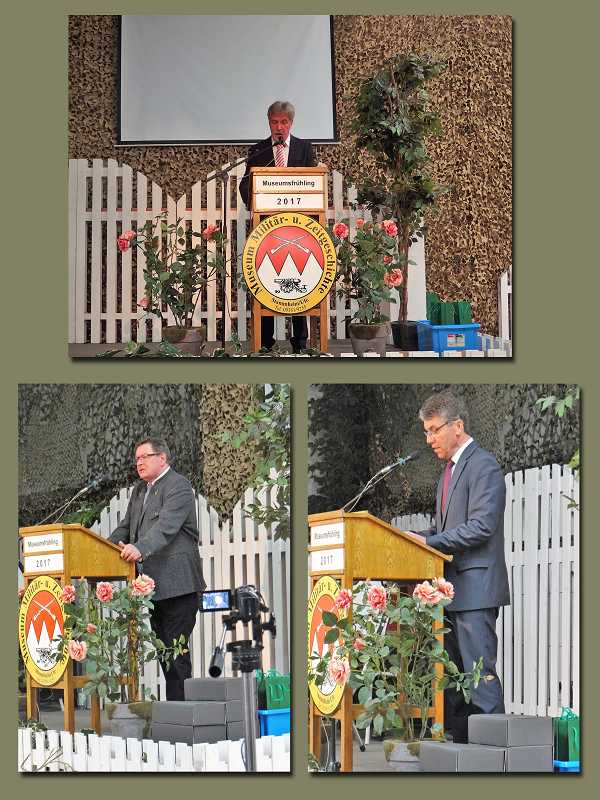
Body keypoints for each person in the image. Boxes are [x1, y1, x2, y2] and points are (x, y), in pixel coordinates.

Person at [410, 391, 510, 743]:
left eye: (434, 430)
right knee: (453, 685)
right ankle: (463, 755)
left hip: (476, 591)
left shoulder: (484, 465)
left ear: (458, 426)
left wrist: (430, 542)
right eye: (426, 431)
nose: (429, 439)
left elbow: (482, 526)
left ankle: (495, 759)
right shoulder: (448, 474)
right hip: (450, 595)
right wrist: (410, 537)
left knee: (479, 679)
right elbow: (442, 532)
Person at [109, 437, 205, 701]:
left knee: (176, 655)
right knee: (165, 654)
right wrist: (102, 548)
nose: (139, 462)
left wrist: (139, 548)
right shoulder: (140, 491)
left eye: (144, 457)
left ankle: (184, 717)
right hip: (154, 589)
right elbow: (126, 527)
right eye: (137, 458)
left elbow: (166, 527)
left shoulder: (179, 486)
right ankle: (178, 714)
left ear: (162, 458)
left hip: (179, 587)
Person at [239, 100, 316, 353]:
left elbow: (314, 184)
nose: (279, 127)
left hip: (298, 229)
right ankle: (265, 342)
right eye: (274, 122)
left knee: (298, 281)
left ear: (291, 123)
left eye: (283, 122)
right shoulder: (258, 150)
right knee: (267, 281)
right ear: (269, 122)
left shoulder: (305, 149)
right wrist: (256, 194)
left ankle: (300, 342)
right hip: (267, 228)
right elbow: (244, 187)